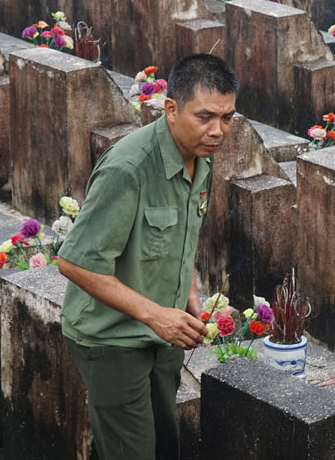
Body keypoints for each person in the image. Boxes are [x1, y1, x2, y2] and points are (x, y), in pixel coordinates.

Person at [57, 54, 238, 460]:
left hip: (162, 334)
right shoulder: (129, 168)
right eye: (206, 116)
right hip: (111, 339)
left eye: (227, 118)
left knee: (164, 447)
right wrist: (157, 315)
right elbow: (74, 262)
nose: (217, 131)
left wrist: (189, 293)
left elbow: (182, 234)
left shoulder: (200, 159)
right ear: (171, 109)